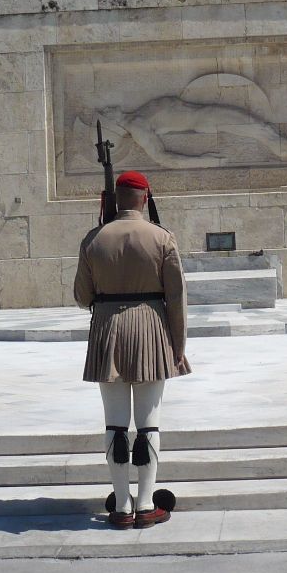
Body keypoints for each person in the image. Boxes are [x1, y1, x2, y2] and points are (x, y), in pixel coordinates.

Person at [73, 170, 189, 529]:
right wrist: (178, 345)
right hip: (151, 329)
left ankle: (121, 506)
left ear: (113, 200)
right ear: (144, 199)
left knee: (115, 424)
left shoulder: (94, 239)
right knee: (148, 425)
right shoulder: (161, 237)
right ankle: (145, 503)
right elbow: (177, 298)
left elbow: (81, 297)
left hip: (108, 329)